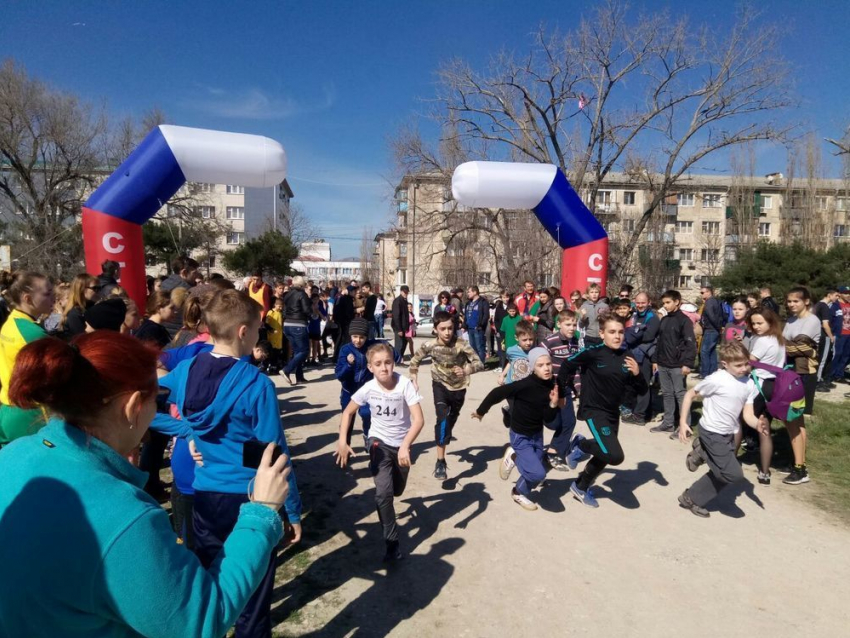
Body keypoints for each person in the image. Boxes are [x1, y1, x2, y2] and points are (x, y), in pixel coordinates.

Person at [0, 331, 291, 637]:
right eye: (159, 399)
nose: (158, 408)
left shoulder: (13, 456)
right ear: (133, 406)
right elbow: (201, 622)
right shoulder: (126, 518)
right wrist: (262, 511)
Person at [153, 289, 302, 637]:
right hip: (252, 497)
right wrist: (292, 510)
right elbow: (273, 453)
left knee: (215, 584)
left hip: (206, 497)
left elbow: (139, 397)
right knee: (254, 591)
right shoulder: (257, 384)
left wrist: (185, 430)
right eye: (258, 329)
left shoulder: (187, 369)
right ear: (243, 332)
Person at [335, 342, 425, 562]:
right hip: (378, 443)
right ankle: (392, 544)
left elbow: (419, 420)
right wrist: (342, 441)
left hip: (401, 445)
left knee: (397, 491)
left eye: (388, 362)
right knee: (383, 493)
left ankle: (389, 490)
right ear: (370, 367)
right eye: (378, 364)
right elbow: (348, 412)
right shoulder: (368, 388)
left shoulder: (404, 385)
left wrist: (405, 445)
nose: (384, 368)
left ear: (393, 363)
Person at [558, 315, 646, 508]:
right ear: (602, 333)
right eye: (612, 332)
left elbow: (642, 391)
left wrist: (638, 374)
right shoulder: (593, 352)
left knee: (605, 453)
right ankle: (581, 446)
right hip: (593, 410)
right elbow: (567, 365)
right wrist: (561, 390)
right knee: (615, 455)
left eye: (621, 332)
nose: (617, 336)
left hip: (612, 413)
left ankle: (580, 486)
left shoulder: (628, 356)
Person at [677, 341, 766, 517]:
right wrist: (682, 422)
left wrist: (757, 424)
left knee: (723, 473)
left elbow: (747, 414)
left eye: (746, 364)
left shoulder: (749, 384)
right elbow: (690, 394)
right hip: (711, 431)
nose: (743, 368)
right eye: (738, 365)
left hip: (729, 433)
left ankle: (692, 495)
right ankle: (702, 451)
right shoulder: (717, 379)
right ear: (725, 364)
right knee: (733, 474)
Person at [472, 348, 561, 510]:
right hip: (520, 435)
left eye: (548, 364)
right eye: (540, 365)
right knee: (538, 474)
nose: (546, 368)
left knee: (537, 469)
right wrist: (480, 411)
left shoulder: (551, 384)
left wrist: (553, 404)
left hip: (537, 434)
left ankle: (518, 487)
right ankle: (516, 481)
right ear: (533, 367)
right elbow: (496, 393)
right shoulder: (524, 384)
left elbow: (548, 418)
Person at [409, 310, 484, 481]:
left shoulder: (462, 344)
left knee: (450, 420)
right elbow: (415, 361)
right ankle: (440, 461)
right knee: (442, 420)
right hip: (439, 385)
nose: (447, 332)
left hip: (459, 388)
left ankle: (445, 434)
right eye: (443, 329)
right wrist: (413, 378)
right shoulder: (430, 345)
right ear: (435, 329)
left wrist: (466, 370)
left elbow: (479, 363)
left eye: (450, 328)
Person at [0, 272, 53, 447]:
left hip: (9, 408)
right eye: (47, 293)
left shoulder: (11, 322)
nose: (53, 297)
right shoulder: (32, 334)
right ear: (28, 299)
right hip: (31, 414)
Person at [742, 307, 786, 485]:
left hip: (759, 385)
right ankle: (765, 472)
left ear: (771, 321)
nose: (756, 326)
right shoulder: (779, 339)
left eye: (760, 323)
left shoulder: (762, 340)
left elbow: (749, 363)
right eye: (753, 323)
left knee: (740, 422)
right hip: (774, 385)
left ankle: (728, 461)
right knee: (765, 426)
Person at [781, 286, 820, 485]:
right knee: (792, 420)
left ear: (806, 301)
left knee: (794, 419)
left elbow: (801, 347)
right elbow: (785, 344)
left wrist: (783, 345)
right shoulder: (791, 320)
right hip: (790, 372)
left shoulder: (812, 320)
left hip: (804, 374)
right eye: (789, 301)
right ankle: (797, 461)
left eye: (795, 301)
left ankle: (801, 468)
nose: (791, 304)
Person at [649, 290, 697, 436]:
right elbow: (660, 341)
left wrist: (687, 363)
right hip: (663, 363)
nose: (665, 306)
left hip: (678, 365)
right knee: (667, 394)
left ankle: (685, 426)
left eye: (668, 302)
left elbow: (690, 343)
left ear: (677, 302)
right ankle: (668, 423)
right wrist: (655, 360)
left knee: (680, 395)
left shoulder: (684, 321)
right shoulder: (664, 319)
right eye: (664, 303)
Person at [541, 310, 582, 470]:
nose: (572, 328)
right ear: (559, 324)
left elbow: (576, 370)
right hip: (549, 389)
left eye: (574, 324)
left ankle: (552, 453)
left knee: (569, 422)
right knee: (554, 424)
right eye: (568, 324)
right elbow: (537, 360)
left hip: (565, 390)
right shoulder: (549, 341)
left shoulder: (575, 342)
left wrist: (579, 389)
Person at [622, 292, 659, 425]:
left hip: (645, 356)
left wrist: (633, 333)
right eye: (638, 302)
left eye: (643, 302)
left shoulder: (653, 318)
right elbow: (630, 332)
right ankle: (644, 412)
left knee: (643, 384)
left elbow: (649, 336)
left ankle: (639, 416)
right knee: (634, 384)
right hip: (634, 354)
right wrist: (636, 331)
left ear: (649, 302)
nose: (640, 305)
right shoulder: (635, 315)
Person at [281, 276, 312, 385]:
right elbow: (306, 309)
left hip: (287, 324)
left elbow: (284, 310)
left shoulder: (287, 295)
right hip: (298, 323)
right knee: (304, 351)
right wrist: (312, 314)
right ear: (302, 284)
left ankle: (299, 377)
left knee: (298, 352)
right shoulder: (302, 294)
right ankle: (286, 370)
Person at [814, 288, 839, 391]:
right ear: (829, 295)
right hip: (824, 336)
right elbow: (825, 324)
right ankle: (817, 381)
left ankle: (819, 379)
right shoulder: (824, 307)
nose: (837, 298)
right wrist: (831, 336)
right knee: (822, 360)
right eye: (836, 295)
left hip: (818, 335)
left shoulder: (817, 305)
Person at [698, 285, 724, 378]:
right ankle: (712, 372)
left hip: (710, 329)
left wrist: (717, 327)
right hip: (714, 329)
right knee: (712, 351)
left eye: (702, 292)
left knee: (704, 351)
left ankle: (705, 373)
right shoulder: (715, 301)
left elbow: (711, 316)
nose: (701, 294)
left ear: (709, 292)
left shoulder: (709, 302)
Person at [63, 273, 98, 338]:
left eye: (99, 288)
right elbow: (81, 341)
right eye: (95, 288)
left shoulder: (93, 307)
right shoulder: (75, 313)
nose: (98, 291)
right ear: (82, 290)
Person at [829, 286, 850, 386]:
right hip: (839, 335)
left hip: (849, 335)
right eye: (845, 293)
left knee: (846, 355)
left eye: (849, 293)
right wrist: (832, 333)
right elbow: (829, 321)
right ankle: (830, 374)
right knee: (837, 354)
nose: (848, 295)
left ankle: (839, 375)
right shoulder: (835, 306)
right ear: (840, 294)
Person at [464, 285, 490, 363]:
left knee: (480, 347)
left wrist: (481, 325)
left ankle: (481, 364)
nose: (468, 293)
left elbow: (486, 315)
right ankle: (475, 363)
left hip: (478, 328)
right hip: (470, 328)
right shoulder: (468, 303)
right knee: (472, 347)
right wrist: (464, 325)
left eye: (469, 292)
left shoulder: (483, 302)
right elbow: (466, 315)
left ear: (475, 292)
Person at [498, 302, 522, 369]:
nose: (512, 313)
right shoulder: (505, 319)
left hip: (517, 341)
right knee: (509, 357)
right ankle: (508, 370)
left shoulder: (519, 318)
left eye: (513, 311)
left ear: (516, 310)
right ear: (508, 311)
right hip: (508, 340)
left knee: (518, 355)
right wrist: (503, 342)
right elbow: (502, 331)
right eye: (510, 311)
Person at [391, 286, 410, 363]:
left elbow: (405, 315)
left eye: (407, 292)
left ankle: (400, 357)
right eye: (404, 292)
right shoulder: (397, 301)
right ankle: (397, 360)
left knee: (404, 343)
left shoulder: (404, 301)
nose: (406, 293)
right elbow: (396, 316)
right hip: (399, 327)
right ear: (401, 291)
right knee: (399, 345)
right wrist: (399, 329)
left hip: (404, 327)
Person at [493, 290, 511, 367]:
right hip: (501, 332)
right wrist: (498, 330)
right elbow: (496, 320)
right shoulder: (498, 308)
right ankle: (502, 365)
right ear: (501, 298)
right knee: (501, 349)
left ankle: (509, 365)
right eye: (504, 297)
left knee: (509, 349)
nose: (506, 299)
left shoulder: (512, 306)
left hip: (510, 332)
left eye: (507, 297)